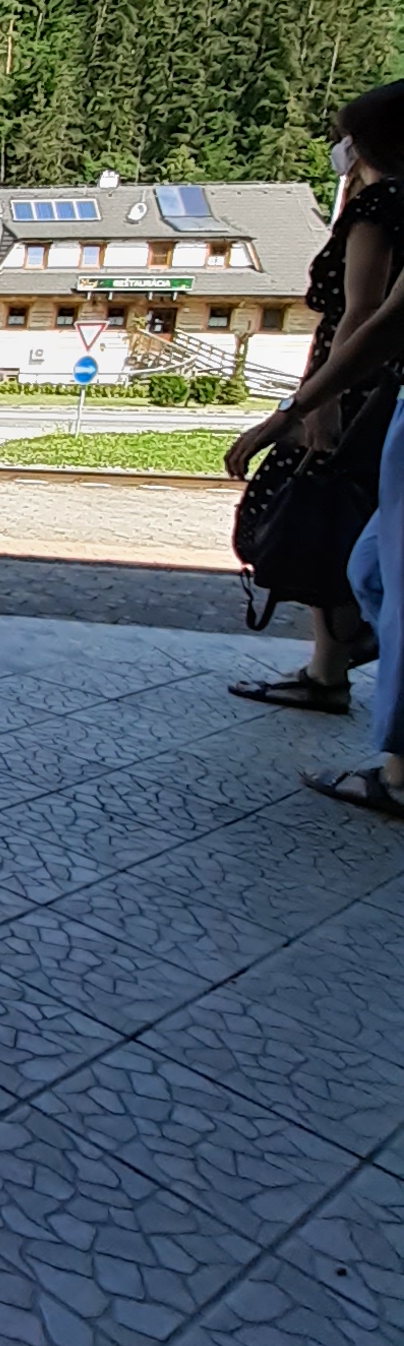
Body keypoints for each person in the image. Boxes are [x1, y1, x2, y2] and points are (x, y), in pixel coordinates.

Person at [227, 90, 404, 816]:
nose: (340, 151)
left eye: (344, 137)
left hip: (353, 389)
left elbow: (365, 316)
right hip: (371, 389)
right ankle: (340, 663)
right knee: (360, 553)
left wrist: (308, 406)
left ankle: (358, 694)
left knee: (343, 537)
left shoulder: (378, 207)